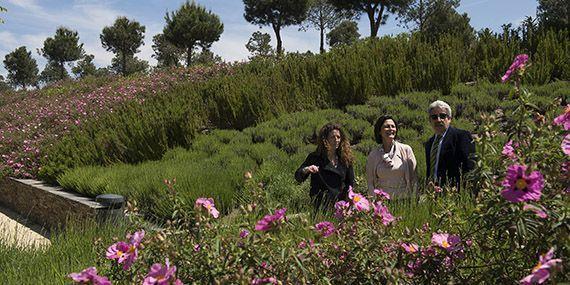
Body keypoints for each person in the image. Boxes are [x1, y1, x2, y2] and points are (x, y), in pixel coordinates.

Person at [295, 123, 355, 210]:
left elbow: (350, 183)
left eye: (338, 137)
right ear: (325, 140)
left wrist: (348, 200)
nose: (336, 140)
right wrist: (307, 169)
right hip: (320, 208)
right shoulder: (315, 157)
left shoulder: (345, 159)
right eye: (332, 137)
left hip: (340, 207)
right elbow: (298, 176)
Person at [425, 100, 475, 188]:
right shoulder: (429, 144)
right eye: (434, 117)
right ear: (430, 120)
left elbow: (470, 167)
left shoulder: (461, 137)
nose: (438, 120)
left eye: (443, 116)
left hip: (455, 194)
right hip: (433, 195)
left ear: (449, 119)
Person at [366, 115, 418, 198]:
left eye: (393, 126)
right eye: (387, 126)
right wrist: (374, 203)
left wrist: (414, 200)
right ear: (379, 131)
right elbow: (370, 182)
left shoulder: (406, 150)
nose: (391, 129)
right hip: (383, 203)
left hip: (404, 201)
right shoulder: (373, 155)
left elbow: (414, 178)